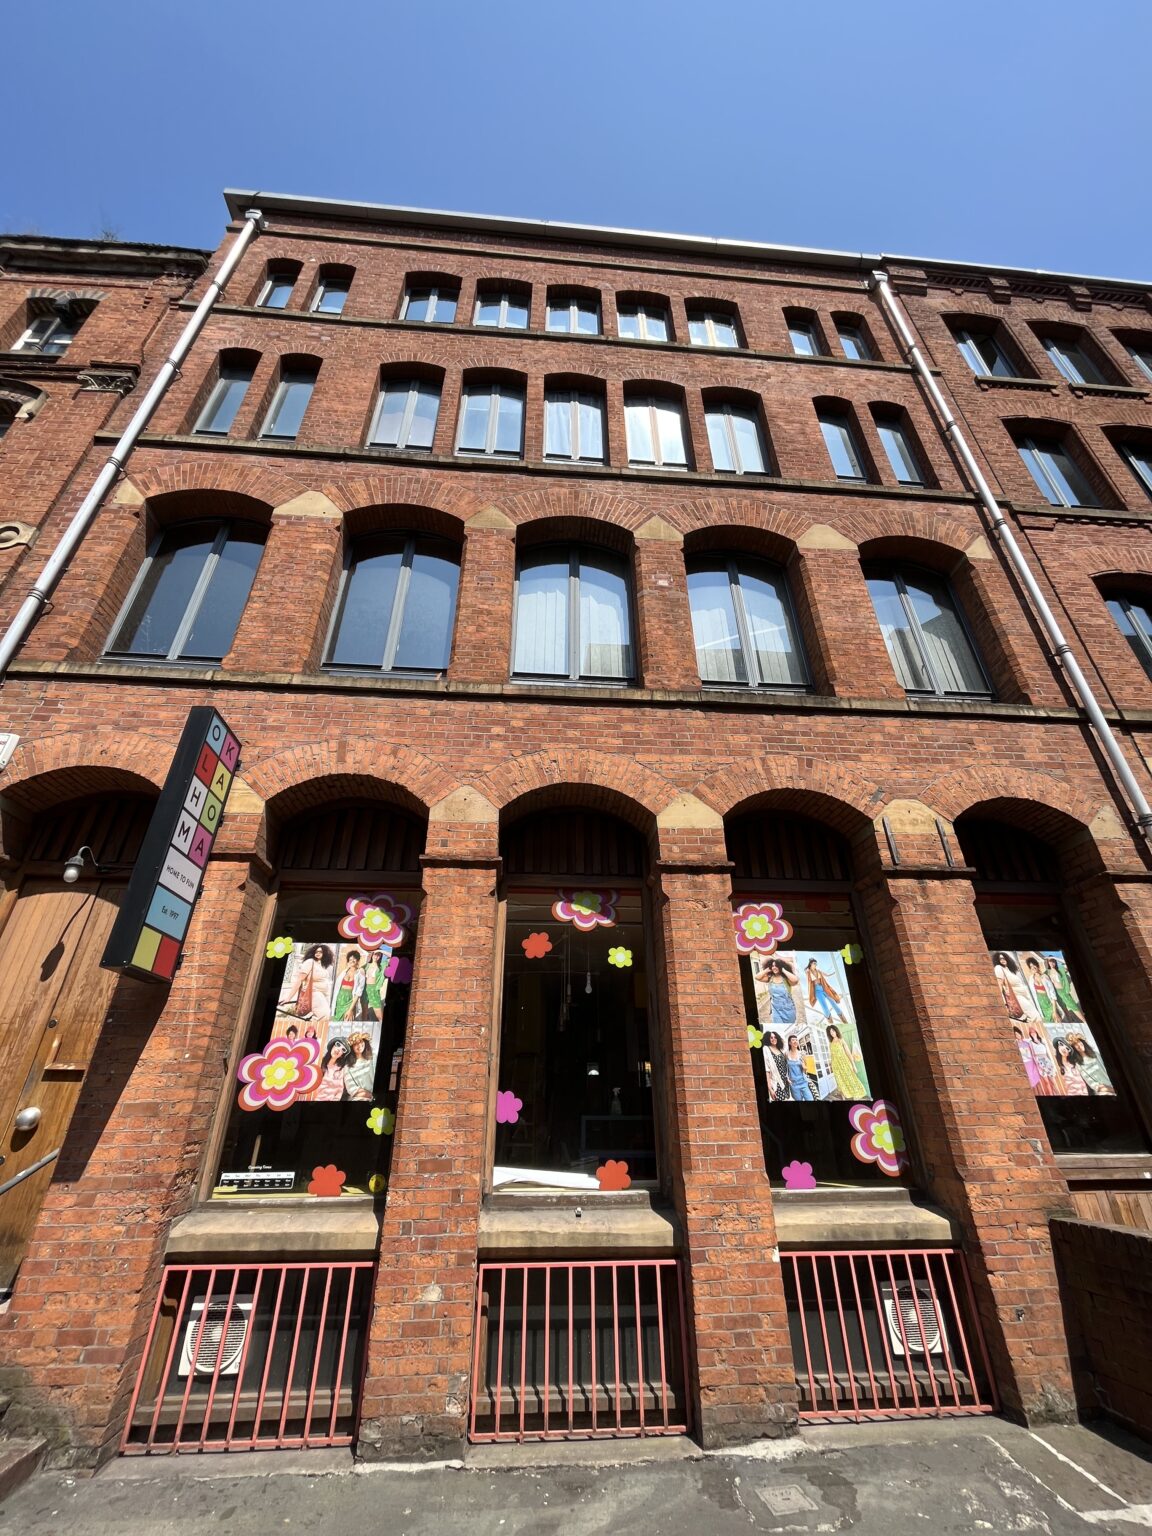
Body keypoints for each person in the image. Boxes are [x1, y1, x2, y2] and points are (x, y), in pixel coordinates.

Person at [279, 944, 334, 1024]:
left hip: (325, 995)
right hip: (314, 992)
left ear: (325, 953)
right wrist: (289, 997)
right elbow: (299, 980)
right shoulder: (310, 962)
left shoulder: (322, 964)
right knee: (324, 1015)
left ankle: (310, 1029)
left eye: (320, 952)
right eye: (316, 951)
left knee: (323, 1017)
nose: (318, 953)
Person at [992, 952, 1042, 1024]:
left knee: (1031, 1019)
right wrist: (1003, 1003)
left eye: (1004, 958)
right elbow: (1000, 985)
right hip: (1016, 997)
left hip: (1024, 996)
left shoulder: (1008, 970)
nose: (1003, 960)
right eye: (1000, 959)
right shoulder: (998, 968)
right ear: (997, 960)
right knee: (1036, 1017)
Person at [826, 1023, 868, 1100]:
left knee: (851, 1078)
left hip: (845, 1063)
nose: (832, 1033)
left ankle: (856, 1095)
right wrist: (831, 1066)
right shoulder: (831, 1044)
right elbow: (832, 1056)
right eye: (830, 1032)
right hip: (836, 1065)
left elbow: (848, 1053)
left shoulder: (841, 1040)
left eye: (833, 1031)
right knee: (840, 1080)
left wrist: (853, 1065)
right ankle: (844, 1095)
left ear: (836, 1031)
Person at [805, 959, 848, 1024]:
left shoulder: (818, 971)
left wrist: (833, 973)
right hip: (817, 991)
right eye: (814, 963)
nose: (816, 964)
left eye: (816, 963)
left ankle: (845, 1022)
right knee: (825, 1007)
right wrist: (808, 970)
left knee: (834, 1003)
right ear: (810, 964)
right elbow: (808, 979)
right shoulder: (808, 972)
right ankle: (831, 1024)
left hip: (824, 988)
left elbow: (826, 975)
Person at [761, 957, 798, 1026]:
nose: (774, 967)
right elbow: (757, 977)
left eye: (777, 966)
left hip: (788, 1009)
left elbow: (795, 980)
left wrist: (783, 970)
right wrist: (767, 970)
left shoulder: (786, 979)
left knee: (789, 1026)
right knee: (778, 1026)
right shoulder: (770, 978)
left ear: (780, 967)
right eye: (772, 966)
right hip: (776, 1009)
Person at [332, 949, 365, 1023]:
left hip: (350, 1000)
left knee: (347, 1021)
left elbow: (358, 993)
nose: (352, 960)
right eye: (350, 959)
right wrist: (347, 967)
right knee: (336, 1022)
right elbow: (337, 986)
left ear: (358, 960)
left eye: (354, 959)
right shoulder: (344, 972)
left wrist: (350, 1009)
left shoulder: (360, 973)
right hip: (339, 1000)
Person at [1028, 1025, 1063, 1095]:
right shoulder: (1030, 1042)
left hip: (1047, 1061)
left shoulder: (1042, 1040)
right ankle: (1051, 1095)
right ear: (1030, 1034)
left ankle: (1057, 1094)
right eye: (1031, 1033)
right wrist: (1037, 1064)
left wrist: (1051, 1062)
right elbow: (1032, 1054)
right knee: (1046, 1082)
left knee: (1053, 1081)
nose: (1033, 1033)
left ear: (1036, 1032)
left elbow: (1048, 1052)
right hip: (1039, 1062)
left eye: (1034, 1032)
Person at [343, 1031, 376, 1100]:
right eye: (355, 1044)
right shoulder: (347, 1067)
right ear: (351, 1048)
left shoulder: (373, 1057)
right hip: (362, 1098)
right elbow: (351, 1088)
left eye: (361, 1041)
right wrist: (372, 1096)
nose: (359, 1045)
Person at [1025, 956, 1057, 1025]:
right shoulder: (1031, 980)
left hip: (1049, 1003)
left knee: (1057, 1020)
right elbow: (1030, 996)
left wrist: (1054, 1011)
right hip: (1041, 1007)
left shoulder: (1045, 977)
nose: (1033, 967)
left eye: (1034, 965)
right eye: (1031, 966)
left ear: (1037, 965)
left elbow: (1053, 993)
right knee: (1049, 1024)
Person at [316, 1038, 350, 1102]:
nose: (339, 1049)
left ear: (341, 1055)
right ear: (332, 1046)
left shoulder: (340, 1070)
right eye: (338, 1045)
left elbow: (340, 1090)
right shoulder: (319, 1062)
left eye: (343, 1049)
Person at [761, 1030, 791, 1101]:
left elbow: (785, 1066)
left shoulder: (780, 1049)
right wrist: (770, 1089)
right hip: (776, 1083)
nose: (774, 1039)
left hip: (785, 1082)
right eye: (771, 1037)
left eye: (775, 1037)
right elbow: (767, 1070)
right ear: (768, 1039)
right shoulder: (766, 1049)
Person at [1012, 1024, 1042, 1091]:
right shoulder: (1015, 1045)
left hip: (1032, 1064)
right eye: (1016, 1034)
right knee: (1030, 1082)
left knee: (1036, 1080)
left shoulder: (1026, 1043)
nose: (1018, 1035)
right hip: (1025, 1066)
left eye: (1018, 1033)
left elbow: (1032, 1053)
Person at [784, 1035, 814, 1101]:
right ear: (789, 1043)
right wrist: (787, 1078)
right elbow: (785, 1068)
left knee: (810, 1099)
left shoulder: (802, 1053)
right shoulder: (786, 1054)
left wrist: (804, 1068)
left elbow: (806, 1069)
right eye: (793, 1040)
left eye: (796, 1040)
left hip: (803, 1081)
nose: (795, 1041)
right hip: (793, 1084)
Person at [362, 952, 387, 1023]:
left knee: (379, 1015)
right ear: (372, 955)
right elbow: (359, 970)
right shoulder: (367, 965)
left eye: (379, 955)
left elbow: (391, 957)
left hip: (374, 990)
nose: (376, 956)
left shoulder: (381, 966)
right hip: (365, 989)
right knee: (364, 1013)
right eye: (375, 954)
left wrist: (380, 950)